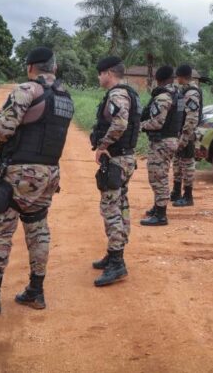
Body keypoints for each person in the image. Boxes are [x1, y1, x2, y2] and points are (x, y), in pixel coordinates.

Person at [0, 47, 74, 315]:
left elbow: (1, 131)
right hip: (49, 174)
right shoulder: (65, 96)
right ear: (53, 68)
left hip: (19, 174)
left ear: (31, 67)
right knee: (38, 230)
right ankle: (35, 291)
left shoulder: (27, 90)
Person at [89, 56, 141, 286]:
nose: (99, 77)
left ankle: (117, 262)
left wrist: (103, 146)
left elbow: (119, 124)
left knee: (110, 208)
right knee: (121, 205)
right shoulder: (129, 92)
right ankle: (113, 253)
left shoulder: (117, 94)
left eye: (100, 73)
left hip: (117, 158)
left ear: (108, 73)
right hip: (125, 157)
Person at [140, 65, 183, 226]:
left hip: (162, 142)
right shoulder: (177, 95)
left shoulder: (164, 97)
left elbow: (157, 122)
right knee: (160, 174)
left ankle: (161, 215)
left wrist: (139, 126)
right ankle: (158, 206)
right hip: (170, 139)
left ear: (159, 80)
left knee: (158, 176)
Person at [171, 64, 203, 207]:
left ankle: (188, 196)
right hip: (179, 132)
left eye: (177, 76)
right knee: (177, 163)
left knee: (187, 165)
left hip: (187, 134)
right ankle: (176, 192)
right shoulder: (183, 90)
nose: (176, 79)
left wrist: (185, 136)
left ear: (181, 76)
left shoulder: (191, 93)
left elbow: (191, 118)